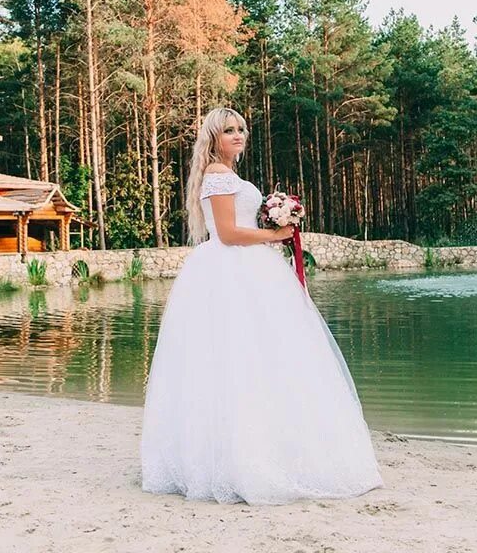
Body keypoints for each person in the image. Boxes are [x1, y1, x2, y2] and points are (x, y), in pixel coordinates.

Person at [140, 106, 383, 505]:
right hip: (231, 271)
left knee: (261, 360)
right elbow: (230, 234)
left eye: (241, 129)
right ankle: (242, 460)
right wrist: (276, 233)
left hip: (248, 268)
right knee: (243, 361)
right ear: (214, 138)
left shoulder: (228, 175)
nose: (237, 135)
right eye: (228, 131)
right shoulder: (217, 176)